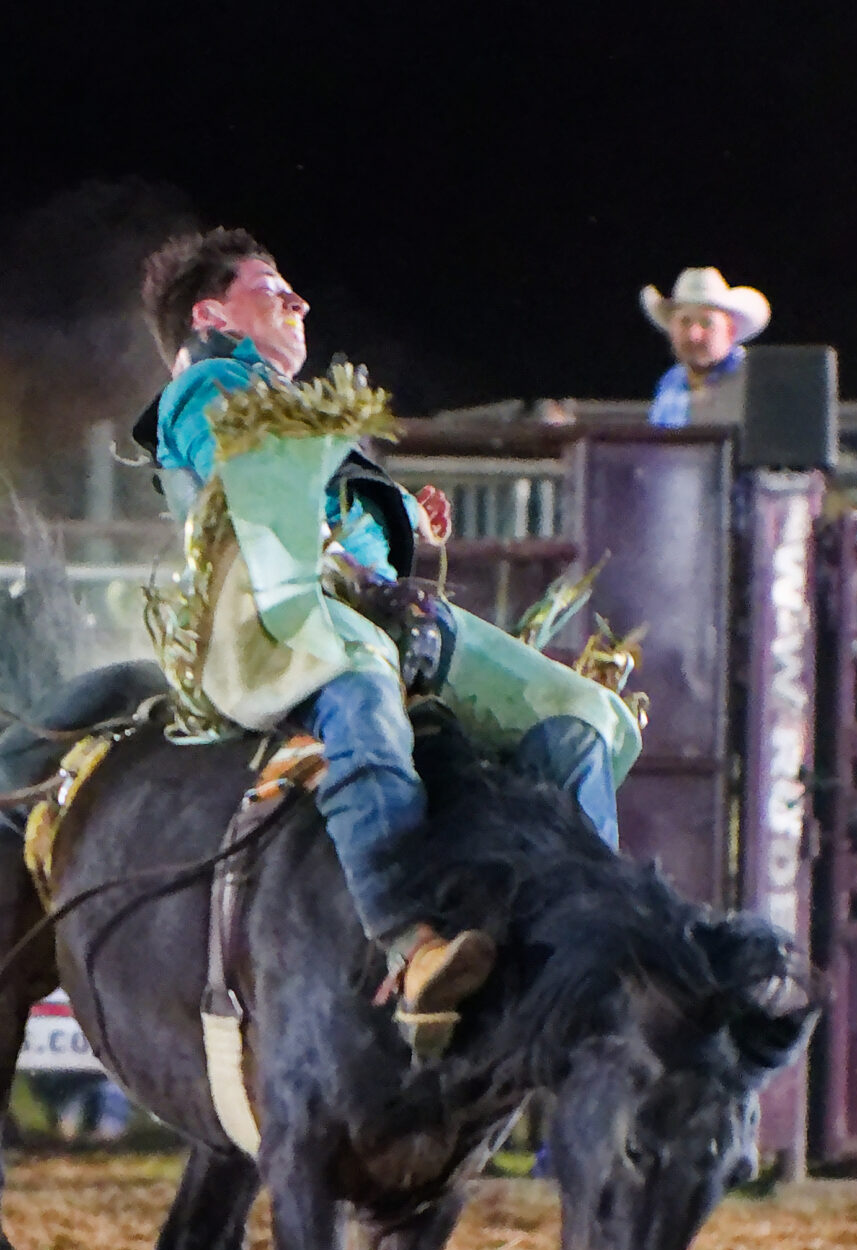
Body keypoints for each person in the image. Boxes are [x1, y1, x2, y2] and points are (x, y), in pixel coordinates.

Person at [138, 225, 640, 1057]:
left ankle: (591, 930)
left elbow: (320, 497)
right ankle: (410, 939)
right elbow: (247, 486)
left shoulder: (289, 412)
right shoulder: (208, 388)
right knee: (360, 684)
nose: (298, 302)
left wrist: (401, 512)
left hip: (374, 613)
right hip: (277, 617)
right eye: (271, 289)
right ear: (211, 315)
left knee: (577, 709)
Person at [642, 268, 769, 428]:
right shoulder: (671, 381)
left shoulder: (753, 382)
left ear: (730, 330)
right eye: (685, 322)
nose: (694, 335)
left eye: (707, 323)